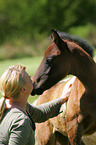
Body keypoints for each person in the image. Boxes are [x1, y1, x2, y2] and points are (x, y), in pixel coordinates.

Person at [0, 64, 69, 145]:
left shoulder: (12, 105)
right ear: (24, 89)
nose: (32, 79)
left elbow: (40, 113)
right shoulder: (21, 122)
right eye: (29, 78)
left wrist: (62, 99)